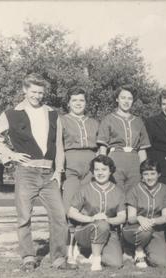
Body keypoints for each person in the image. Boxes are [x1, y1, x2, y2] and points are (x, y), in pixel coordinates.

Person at [0, 73, 75, 271]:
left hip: (49, 174)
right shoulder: (11, 113)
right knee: (24, 217)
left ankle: (59, 259)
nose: (37, 96)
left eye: (40, 92)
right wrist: (10, 155)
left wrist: (58, 171)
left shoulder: (53, 113)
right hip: (26, 172)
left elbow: (58, 146)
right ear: (24, 90)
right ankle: (28, 258)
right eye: (33, 92)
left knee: (59, 217)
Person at [60, 88, 99, 264]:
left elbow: (99, 147)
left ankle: (84, 249)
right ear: (68, 103)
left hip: (90, 163)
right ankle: (69, 251)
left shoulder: (94, 122)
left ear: (86, 103)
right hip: (71, 162)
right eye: (74, 100)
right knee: (70, 206)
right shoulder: (62, 120)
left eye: (81, 100)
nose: (78, 103)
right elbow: (57, 146)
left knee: (87, 206)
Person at [67, 155, 126, 271]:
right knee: (101, 225)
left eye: (104, 169)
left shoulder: (118, 192)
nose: (100, 173)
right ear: (93, 172)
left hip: (109, 231)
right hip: (85, 231)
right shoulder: (84, 189)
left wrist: (107, 220)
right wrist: (92, 219)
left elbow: (122, 217)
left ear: (110, 171)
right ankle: (95, 259)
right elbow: (71, 212)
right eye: (97, 169)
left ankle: (87, 253)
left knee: (115, 263)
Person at [97, 85, 151, 193]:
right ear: (117, 99)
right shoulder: (108, 119)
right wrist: (103, 168)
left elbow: (142, 149)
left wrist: (145, 170)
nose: (126, 101)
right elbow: (103, 148)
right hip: (116, 159)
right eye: (123, 98)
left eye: (129, 98)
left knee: (134, 196)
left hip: (134, 162)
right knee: (116, 194)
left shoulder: (138, 121)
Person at [122, 159, 166, 268]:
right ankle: (138, 252)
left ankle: (145, 249)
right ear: (141, 176)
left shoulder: (165, 189)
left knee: (161, 262)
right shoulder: (134, 190)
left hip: (156, 229)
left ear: (159, 174)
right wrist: (140, 218)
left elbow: (165, 217)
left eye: (153, 173)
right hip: (134, 228)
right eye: (145, 174)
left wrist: (152, 221)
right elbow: (131, 218)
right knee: (145, 231)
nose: (149, 177)